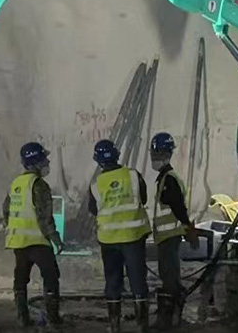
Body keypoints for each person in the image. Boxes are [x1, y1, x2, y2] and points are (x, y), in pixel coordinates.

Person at [88, 139, 152, 333]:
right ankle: (142, 325)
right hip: (133, 237)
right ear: (117, 155)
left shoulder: (95, 184)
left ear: (98, 160)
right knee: (138, 280)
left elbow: (93, 210)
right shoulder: (133, 176)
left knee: (113, 281)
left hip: (109, 241)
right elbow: (144, 198)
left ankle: (114, 325)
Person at [3, 141, 65, 328]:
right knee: (51, 276)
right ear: (36, 162)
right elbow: (44, 216)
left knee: (20, 280)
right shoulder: (39, 185)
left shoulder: (15, 184)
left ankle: (23, 318)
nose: (47, 163)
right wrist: (55, 239)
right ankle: (54, 319)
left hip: (19, 242)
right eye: (44, 159)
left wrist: (13, 228)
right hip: (38, 241)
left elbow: (6, 211)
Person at [149, 132, 199, 329]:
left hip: (170, 236)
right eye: (153, 153)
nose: (153, 157)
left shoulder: (169, 179)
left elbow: (178, 208)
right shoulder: (164, 178)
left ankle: (167, 321)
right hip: (166, 237)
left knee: (169, 277)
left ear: (166, 154)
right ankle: (172, 318)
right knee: (168, 276)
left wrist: (189, 229)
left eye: (156, 153)